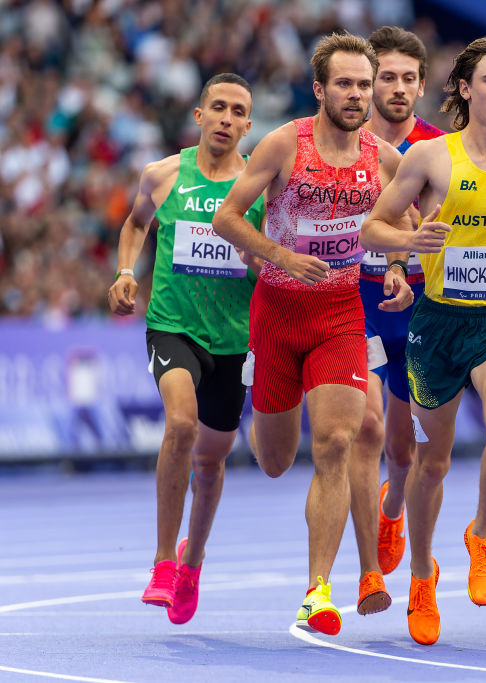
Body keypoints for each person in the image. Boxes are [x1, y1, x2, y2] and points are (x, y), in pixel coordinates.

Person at [361, 33, 486, 645]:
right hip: (437, 327)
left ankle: (481, 534)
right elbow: (374, 227)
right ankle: (422, 578)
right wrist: (410, 244)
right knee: (432, 461)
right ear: (463, 89)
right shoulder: (432, 160)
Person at [212, 33, 411, 636]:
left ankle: (317, 590)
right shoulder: (283, 145)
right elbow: (226, 218)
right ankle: (263, 402)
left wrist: (399, 269)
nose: (356, 94)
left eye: (363, 83)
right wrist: (279, 254)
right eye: (344, 84)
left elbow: (403, 221)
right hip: (276, 313)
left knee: (334, 442)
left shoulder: (385, 159)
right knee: (274, 460)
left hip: (342, 314)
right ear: (320, 89)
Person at [108, 73, 265, 626]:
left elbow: (269, 259)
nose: (226, 118)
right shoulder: (164, 174)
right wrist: (127, 272)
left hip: (234, 340)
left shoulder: (260, 189)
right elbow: (134, 225)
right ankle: (161, 563)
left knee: (212, 457)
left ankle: (192, 561)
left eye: (237, 111)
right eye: (216, 107)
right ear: (199, 116)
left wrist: (257, 260)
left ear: (249, 125)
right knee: (180, 425)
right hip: (173, 326)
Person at [346, 27, 445, 603]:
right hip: (355, 300)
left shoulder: (438, 149)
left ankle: (391, 507)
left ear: (422, 85)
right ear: (369, 81)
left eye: (409, 78)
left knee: (404, 449)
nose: (398, 87)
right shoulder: (342, 143)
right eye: (387, 76)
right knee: (368, 426)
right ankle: (366, 570)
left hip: (418, 305)